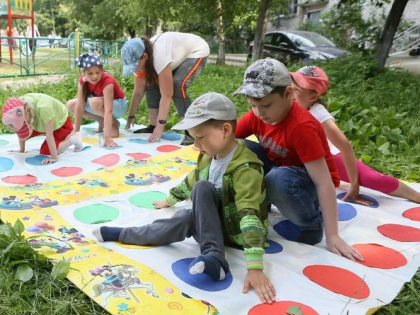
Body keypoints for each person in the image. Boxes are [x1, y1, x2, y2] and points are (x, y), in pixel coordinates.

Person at [92, 92, 276, 304]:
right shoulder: (208, 156)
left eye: (199, 137)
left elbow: (249, 214)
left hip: (238, 232)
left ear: (225, 130)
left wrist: (255, 267)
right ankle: (125, 234)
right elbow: (191, 179)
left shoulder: (246, 169)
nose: (195, 145)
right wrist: (169, 200)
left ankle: (215, 259)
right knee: (183, 217)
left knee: (202, 189)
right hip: (214, 225)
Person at [234, 58, 364, 261]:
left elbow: (324, 183)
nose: (259, 113)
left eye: (266, 105)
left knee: (277, 179)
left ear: (288, 94)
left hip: (308, 185)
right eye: (253, 105)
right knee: (240, 148)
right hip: (281, 170)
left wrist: (332, 235)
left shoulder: (302, 126)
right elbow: (227, 141)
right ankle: (261, 204)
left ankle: (311, 224)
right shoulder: (257, 115)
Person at [291, 65, 420, 204]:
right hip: (303, 160)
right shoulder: (287, 104)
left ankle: (416, 196)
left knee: (373, 179)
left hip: (329, 159)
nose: (290, 92)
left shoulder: (319, 114)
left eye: (296, 89)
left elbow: (345, 147)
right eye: (290, 86)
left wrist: (354, 185)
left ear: (314, 97)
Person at [121, 32, 210, 144]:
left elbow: (167, 95)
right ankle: (152, 126)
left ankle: (191, 132)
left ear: (145, 56)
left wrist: (161, 126)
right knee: (149, 81)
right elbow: (138, 92)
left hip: (196, 50)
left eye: (134, 66)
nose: (134, 70)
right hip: (175, 55)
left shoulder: (159, 58)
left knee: (178, 85)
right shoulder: (141, 60)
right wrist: (130, 116)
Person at [66, 52, 127, 147]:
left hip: (119, 105)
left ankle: (114, 124)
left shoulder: (107, 81)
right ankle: (102, 121)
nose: (94, 76)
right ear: (84, 73)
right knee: (71, 104)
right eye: (90, 73)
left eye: (97, 72)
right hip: (101, 104)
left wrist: (107, 138)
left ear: (102, 71)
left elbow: (108, 110)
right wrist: (76, 131)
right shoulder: (83, 81)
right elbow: (80, 106)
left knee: (94, 102)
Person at [1, 94, 83, 164]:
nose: (23, 125)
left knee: (46, 151)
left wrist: (53, 157)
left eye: (24, 122)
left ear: (27, 110)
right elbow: (21, 132)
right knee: (26, 133)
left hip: (60, 124)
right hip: (40, 122)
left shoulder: (44, 109)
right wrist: (22, 150)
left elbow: (49, 135)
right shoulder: (20, 106)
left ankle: (74, 139)